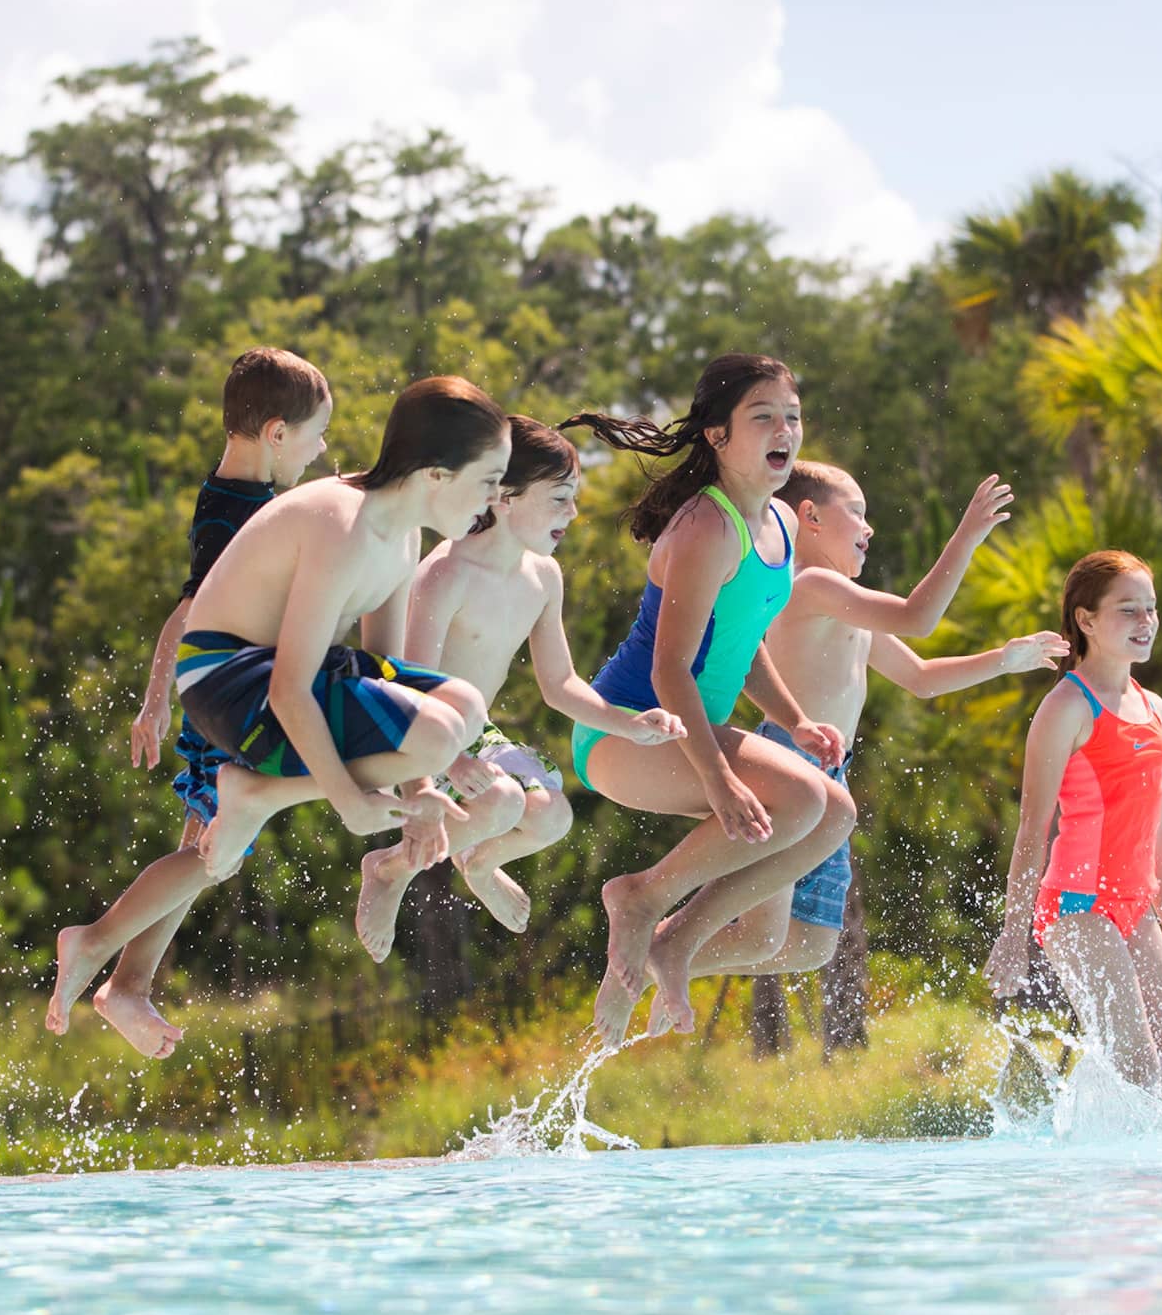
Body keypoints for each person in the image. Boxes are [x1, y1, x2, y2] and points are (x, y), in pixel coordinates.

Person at [44, 376, 510, 1044]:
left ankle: (259, 794)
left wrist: (422, 792)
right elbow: (292, 690)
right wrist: (351, 799)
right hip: (229, 681)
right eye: (490, 479)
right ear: (437, 474)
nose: (494, 501)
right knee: (438, 730)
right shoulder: (345, 526)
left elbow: (386, 678)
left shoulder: (400, 535)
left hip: (278, 678)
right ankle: (257, 793)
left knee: (458, 705)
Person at [652, 459, 1067, 1013]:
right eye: (858, 511)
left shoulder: (843, 602)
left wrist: (1003, 660)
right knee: (764, 934)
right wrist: (967, 534)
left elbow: (919, 678)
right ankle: (659, 949)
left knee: (805, 946)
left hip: (828, 773)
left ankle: (661, 957)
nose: (869, 527)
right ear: (811, 517)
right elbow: (918, 617)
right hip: (785, 763)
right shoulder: (812, 583)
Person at [563, 354, 854, 1047]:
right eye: (763, 416)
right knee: (805, 803)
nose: (785, 428)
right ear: (718, 435)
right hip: (630, 732)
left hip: (689, 726)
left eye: (792, 415)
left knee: (830, 818)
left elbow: (744, 644)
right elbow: (669, 671)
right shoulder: (706, 527)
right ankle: (642, 897)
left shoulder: (779, 522)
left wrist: (796, 720)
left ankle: (675, 943)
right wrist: (720, 779)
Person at [355, 414, 685, 959]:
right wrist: (451, 762)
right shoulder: (447, 575)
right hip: (411, 735)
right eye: (559, 498)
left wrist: (630, 724)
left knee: (552, 815)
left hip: (472, 735)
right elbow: (407, 687)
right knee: (505, 801)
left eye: (573, 498)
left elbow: (559, 684)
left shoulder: (542, 577)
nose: (573, 513)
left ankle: (481, 864)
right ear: (504, 497)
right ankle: (389, 869)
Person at [101, 346, 331, 1059]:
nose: (323, 449)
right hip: (223, 704)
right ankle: (114, 971)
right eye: (318, 433)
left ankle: (127, 982)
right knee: (208, 853)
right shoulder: (238, 513)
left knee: (205, 851)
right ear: (276, 433)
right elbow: (189, 609)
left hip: (228, 698)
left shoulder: (236, 497)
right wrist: (155, 698)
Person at [983, 550, 1162, 1098]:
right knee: (1139, 1069)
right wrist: (1013, 935)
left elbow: (1160, 830)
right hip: (1076, 907)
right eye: (1128, 610)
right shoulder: (1065, 709)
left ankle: (1132, 1181)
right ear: (1086, 620)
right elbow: (1033, 831)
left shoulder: (1156, 709)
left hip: (1135, 906)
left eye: (1151, 609)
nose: (1146, 622)